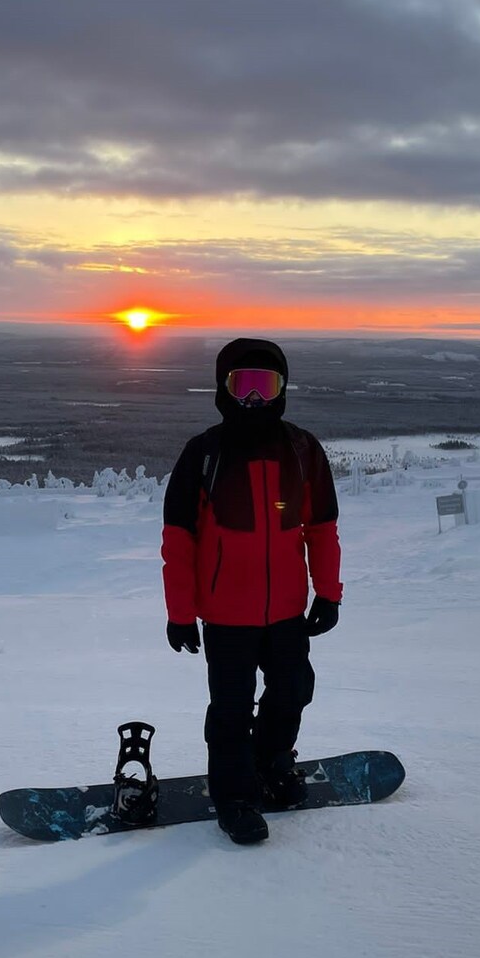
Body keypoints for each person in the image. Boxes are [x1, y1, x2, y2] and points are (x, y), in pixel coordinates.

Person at [161, 338, 342, 844]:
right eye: (245, 386)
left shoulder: (302, 450)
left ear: (284, 389)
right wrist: (181, 613)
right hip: (225, 615)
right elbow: (179, 540)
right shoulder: (204, 454)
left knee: (292, 692)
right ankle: (236, 797)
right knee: (232, 709)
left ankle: (271, 765)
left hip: (286, 610)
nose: (256, 399)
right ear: (225, 389)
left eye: (267, 386)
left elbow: (321, 528)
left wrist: (328, 593)